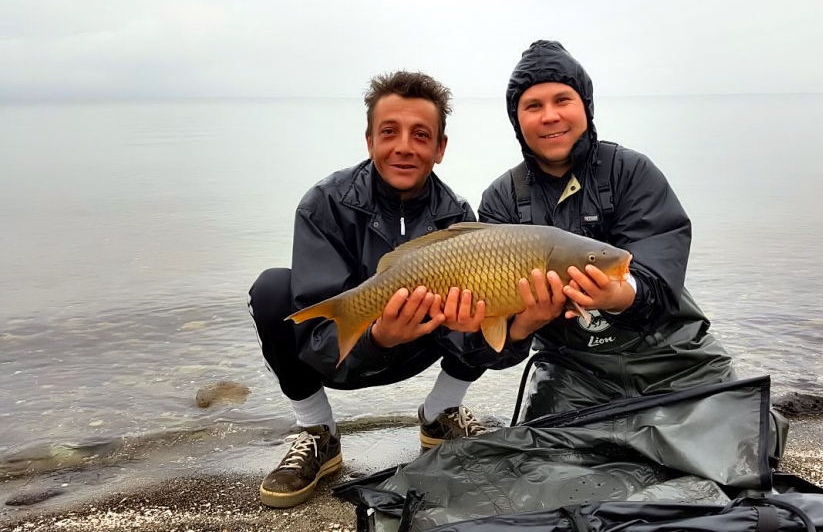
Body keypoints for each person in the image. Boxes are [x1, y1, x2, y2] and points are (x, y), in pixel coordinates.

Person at [474, 40, 787, 459]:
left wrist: (619, 295)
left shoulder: (631, 172)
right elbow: (496, 340)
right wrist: (526, 321)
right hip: (574, 370)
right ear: (517, 119)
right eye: (533, 106)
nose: (549, 116)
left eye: (562, 99)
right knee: (545, 462)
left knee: (748, 447)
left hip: (673, 357)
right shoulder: (501, 200)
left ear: (585, 105)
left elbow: (660, 276)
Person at [247, 71, 529, 509]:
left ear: (440, 149)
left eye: (421, 135)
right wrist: (378, 337)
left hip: (423, 345)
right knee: (271, 290)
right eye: (389, 132)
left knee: (493, 288)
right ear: (369, 140)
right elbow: (319, 346)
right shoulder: (322, 203)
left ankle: (440, 415)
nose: (404, 146)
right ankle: (319, 433)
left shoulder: (457, 215)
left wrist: (510, 323)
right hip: (346, 352)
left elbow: (480, 342)